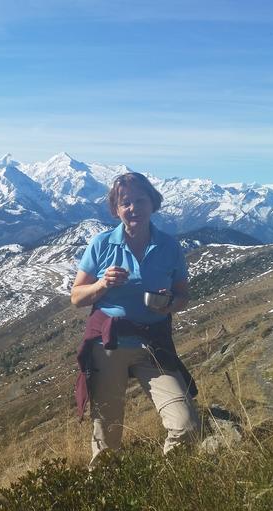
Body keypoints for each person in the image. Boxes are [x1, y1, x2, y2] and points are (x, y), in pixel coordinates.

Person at [71, 172, 200, 466]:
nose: (133, 208)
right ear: (116, 209)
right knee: (106, 435)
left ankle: (166, 490)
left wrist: (168, 304)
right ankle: (104, 497)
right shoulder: (102, 244)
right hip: (109, 344)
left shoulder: (169, 247)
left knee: (186, 424)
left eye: (140, 200)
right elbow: (77, 297)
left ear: (152, 204)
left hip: (154, 344)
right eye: (125, 202)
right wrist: (103, 284)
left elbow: (184, 297)